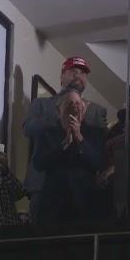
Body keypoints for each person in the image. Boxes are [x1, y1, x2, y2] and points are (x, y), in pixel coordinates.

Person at [23, 57, 107, 222]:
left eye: (82, 73)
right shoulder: (41, 104)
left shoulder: (96, 111)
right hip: (43, 184)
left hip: (83, 188)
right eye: (73, 71)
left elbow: (101, 148)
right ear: (61, 76)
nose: (78, 76)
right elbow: (28, 129)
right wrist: (62, 116)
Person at [32, 89, 104, 226]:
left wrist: (80, 139)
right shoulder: (47, 133)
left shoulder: (96, 133)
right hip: (53, 206)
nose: (74, 106)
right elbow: (38, 163)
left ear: (83, 110)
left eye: (78, 103)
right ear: (59, 110)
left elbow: (99, 162)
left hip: (85, 204)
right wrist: (63, 145)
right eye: (69, 103)